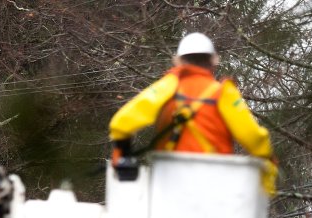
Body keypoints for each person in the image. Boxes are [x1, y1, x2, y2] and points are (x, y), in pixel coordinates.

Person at [107, 32, 278, 194]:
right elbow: (253, 137)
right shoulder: (224, 93)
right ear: (213, 61)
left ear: (179, 61)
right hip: (215, 186)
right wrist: (268, 168)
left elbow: (121, 123)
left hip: (168, 183)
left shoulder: (168, 86)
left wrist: (122, 157)